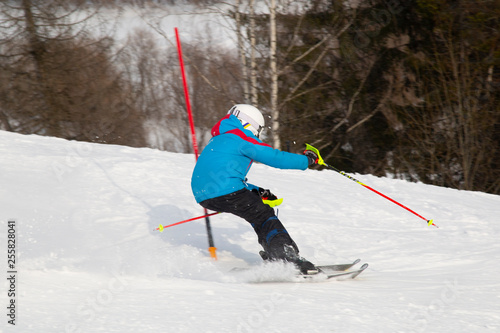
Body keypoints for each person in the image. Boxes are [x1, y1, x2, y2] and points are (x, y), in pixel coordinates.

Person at [190, 104, 319, 274]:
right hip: (226, 191)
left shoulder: (219, 139)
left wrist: (257, 191)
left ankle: (276, 254)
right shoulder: (241, 137)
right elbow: (275, 158)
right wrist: (306, 160)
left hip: (204, 195)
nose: (258, 135)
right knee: (263, 215)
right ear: (249, 124)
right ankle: (287, 258)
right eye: (258, 130)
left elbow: (225, 174)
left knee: (256, 212)